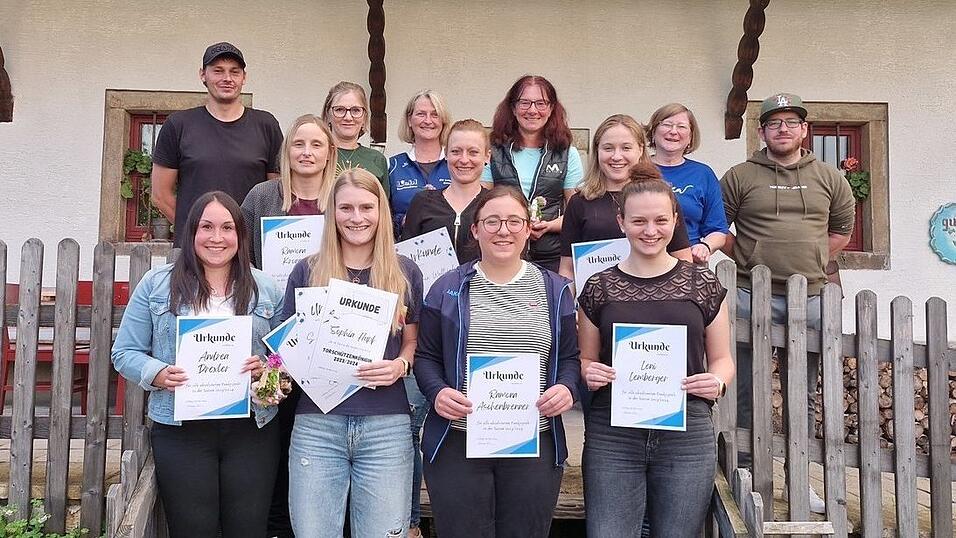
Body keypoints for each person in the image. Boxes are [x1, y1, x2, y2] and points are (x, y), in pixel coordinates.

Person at [111, 192, 284, 538]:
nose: (216, 238)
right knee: (192, 530)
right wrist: (157, 374)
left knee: (248, 529)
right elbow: (125, 352)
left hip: (251, 429)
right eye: (206, 227)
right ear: (191, 233)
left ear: (240, 235)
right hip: (182, 429)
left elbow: (282, 360)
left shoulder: (267, 289)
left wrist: (265, 369)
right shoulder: (156, 285)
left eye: (226, 228)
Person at [414, 186, 580, 538]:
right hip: (458, 442)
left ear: (528, 228)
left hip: (533, 441)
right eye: (492, 221)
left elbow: (569, 358)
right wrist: (437, 392)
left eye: (514, 221)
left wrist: (566, 387)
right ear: (475, 230)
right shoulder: (446, 288)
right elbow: (425, 357)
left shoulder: (555, 290)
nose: (503, 230)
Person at [720, 92, 855, 513]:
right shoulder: (740, 175)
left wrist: (811, 258)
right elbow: (717, 227)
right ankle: (744, 474)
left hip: (810, 298)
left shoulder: (830, 177)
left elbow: (841, 232)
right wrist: (749, 255)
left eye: (791, 122)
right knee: (745, 389)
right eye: (774, 122)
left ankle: (799, 480)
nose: (783, 129)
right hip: (747, 295)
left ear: (804, 129)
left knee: (804, 392)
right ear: (761, 131)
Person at [577, 178, 734, 538]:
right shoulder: (598, 287)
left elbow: (723, 360)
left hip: (687, 430)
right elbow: (584, 359)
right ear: (621, 223)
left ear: (675, 220)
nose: (650, 231)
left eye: (661, 221)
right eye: (639, 221)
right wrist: (590, 372)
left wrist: (718, 381)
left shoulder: (703, 284)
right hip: (614, 433)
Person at [282, 168, 423, 538]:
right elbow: (286, 349)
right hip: (318, 425)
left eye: (366, 207)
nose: (356, 218)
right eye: (346, 208)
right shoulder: (307, 271)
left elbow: (413, 342)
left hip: (386, 428)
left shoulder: (405, 272)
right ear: (332, 213)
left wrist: (400, 365)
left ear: (382, 212)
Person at [239, 113, 336, 537]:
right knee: (276, 431)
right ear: (287, 150)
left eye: (317, 144)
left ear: (330, 152)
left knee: (318, 427)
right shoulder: (262, 197)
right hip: (273, 327)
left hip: (328, 332)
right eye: (299, 144)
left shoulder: (342, 197)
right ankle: (278, 525)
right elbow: (237, 253)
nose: (307, 152)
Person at [151, 42, 283, 247]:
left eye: (234, 72)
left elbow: (276, 193)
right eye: (218, 71)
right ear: (203, 75)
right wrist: (198, 233)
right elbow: (160, 195)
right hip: (194, 252)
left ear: (244, 77)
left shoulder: (266, 125)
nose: (227, 78)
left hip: (248, 251)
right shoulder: (178, 125)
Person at [559, 114, 692, 286]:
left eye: (626, 148)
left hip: (656, 300)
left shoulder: (661, 197)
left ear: (641, 149)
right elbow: (568, 269)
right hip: (596, 306)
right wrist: (567, 309)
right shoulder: (580, 202)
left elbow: (682, 259)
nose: (616, 156)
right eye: (608, 148)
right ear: (597, 150)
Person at [481, 75, 584, 272]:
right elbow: (482, 202)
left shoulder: (567, 152)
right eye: (525, 103)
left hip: (551, 256)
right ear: (513, 107)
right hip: (503, 253)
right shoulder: (493, 150)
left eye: (540, 103)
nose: (532, 110)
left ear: (551, 108)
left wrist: (550, 225)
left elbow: (576, 210)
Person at [648, 103, 729, 264]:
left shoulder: (703, 174)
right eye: (667, 124)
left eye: (682, 127)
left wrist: (705, 246)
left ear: (691, 136)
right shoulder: (637, 170)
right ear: (653, 132)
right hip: (642, 261)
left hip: (688, 262)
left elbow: (719, 230)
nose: (673, 131)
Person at [402, 119, 489, 265]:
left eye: (473, 152)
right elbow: (406, 262)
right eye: (456, 151)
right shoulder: (422, 202)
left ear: (487, 156)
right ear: (446, 154)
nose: (464, 159)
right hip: (432, 288)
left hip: (481, 288)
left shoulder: (494, 205)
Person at [388, 90, 453, 238]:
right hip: (403, 253)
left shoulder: (456, 164)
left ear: (443, 121)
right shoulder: (393, 165)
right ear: (409, 120)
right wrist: (403, 220)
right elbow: (382, 215)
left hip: (453, 254)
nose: (428, 121)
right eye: (421, 114)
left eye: (435, 114)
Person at [322, 81, 389, 194]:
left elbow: (384, 207)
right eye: (339, 110)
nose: (348, 117)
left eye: (356, 110)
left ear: (364, 116)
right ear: (328, 114)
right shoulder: (317, 154)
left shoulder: (377, 159)